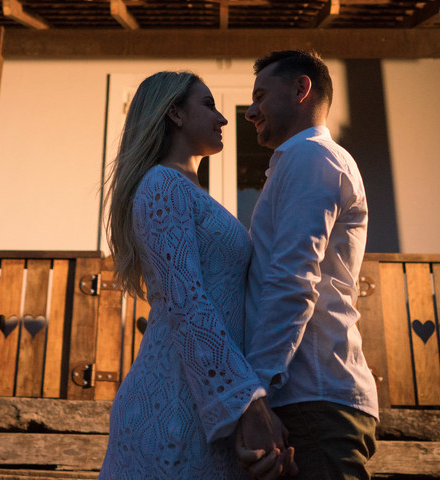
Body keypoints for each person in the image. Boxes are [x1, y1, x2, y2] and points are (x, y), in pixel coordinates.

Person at [99, 71, 294, 480]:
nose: (224, 119)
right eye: (209, 105)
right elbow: (186, 301)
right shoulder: (162, 186)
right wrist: (248, 402)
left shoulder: (191, 193)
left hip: (200, 402)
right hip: (170, 404)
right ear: (175, 113)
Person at [239, 50, 380, 480]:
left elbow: (293, 278)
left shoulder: (311, 158)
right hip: (305, 396)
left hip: (312, 397)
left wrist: (256, 391)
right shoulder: (300, 162)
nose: (250, 111)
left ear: (302, 89)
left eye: (261, 96)